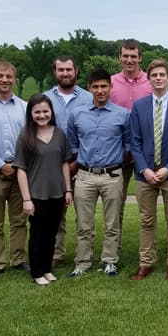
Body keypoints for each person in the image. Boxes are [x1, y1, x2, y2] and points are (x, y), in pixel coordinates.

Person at [129, 59, 168, 280]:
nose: (158, 78)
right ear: (149, 79)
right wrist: (144, 169)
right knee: (146, 220)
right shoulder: (139, 106)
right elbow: (135, 142)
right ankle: (146, 262)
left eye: (162, 74)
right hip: (144, 174)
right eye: (154, 75)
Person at [66, 69, 131, 278]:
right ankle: (82, 262)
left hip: (112, 174)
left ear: (111, 87)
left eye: (104, 86)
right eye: (96, 87)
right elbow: (73, 144)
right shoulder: (77, 114)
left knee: (112, 222)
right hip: (85, 175)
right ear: (89, 88)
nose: (100, 90)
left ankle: (110, 261)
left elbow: (127, 144)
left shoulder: (122, 114)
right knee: (83, 223)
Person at [13, 95, 73, 286]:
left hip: (57, 193)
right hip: (36, 194)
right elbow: (21, 169)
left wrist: (68, 190)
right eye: (37, 112)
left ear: (51, 112)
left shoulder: (59, 134)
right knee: (38, 234)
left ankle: (47, 269)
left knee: (51, 233)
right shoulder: (25, 136)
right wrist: (26, 199)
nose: (42, 115)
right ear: (30, 113)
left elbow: (64, 164)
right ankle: (37, 272)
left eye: (45, 111)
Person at [0, 60, 29, 278]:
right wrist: (1, 164)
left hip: (20, 171)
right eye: (0, 76)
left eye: (9, 76)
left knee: (19, 220)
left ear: (14, 79)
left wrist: (17, 165)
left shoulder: (24, 107)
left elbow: (29, 139)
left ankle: (18, 259)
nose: (4, 80)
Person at [44, 56, 91, 269]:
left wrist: (76, 161)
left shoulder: (88, 98)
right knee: (55, 213)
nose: (65, 73)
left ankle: (85, 254)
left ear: (76, 71)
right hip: (52, 165)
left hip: (81, 162)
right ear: (55, 72)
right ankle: (56, 253)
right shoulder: (45, 99)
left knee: (84, 214)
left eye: (69, 69)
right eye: (61, 69)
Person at [110, 39, 153, 238]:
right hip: (117, 150)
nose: (129, 60)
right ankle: (114, 247)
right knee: (116, 202)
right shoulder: (111, 83)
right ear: (119, 57)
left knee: (147, 205)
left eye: (133, 56)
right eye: (125, 56)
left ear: (140, 58)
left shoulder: (151, 83)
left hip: (144, 152)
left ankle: (149, 248)